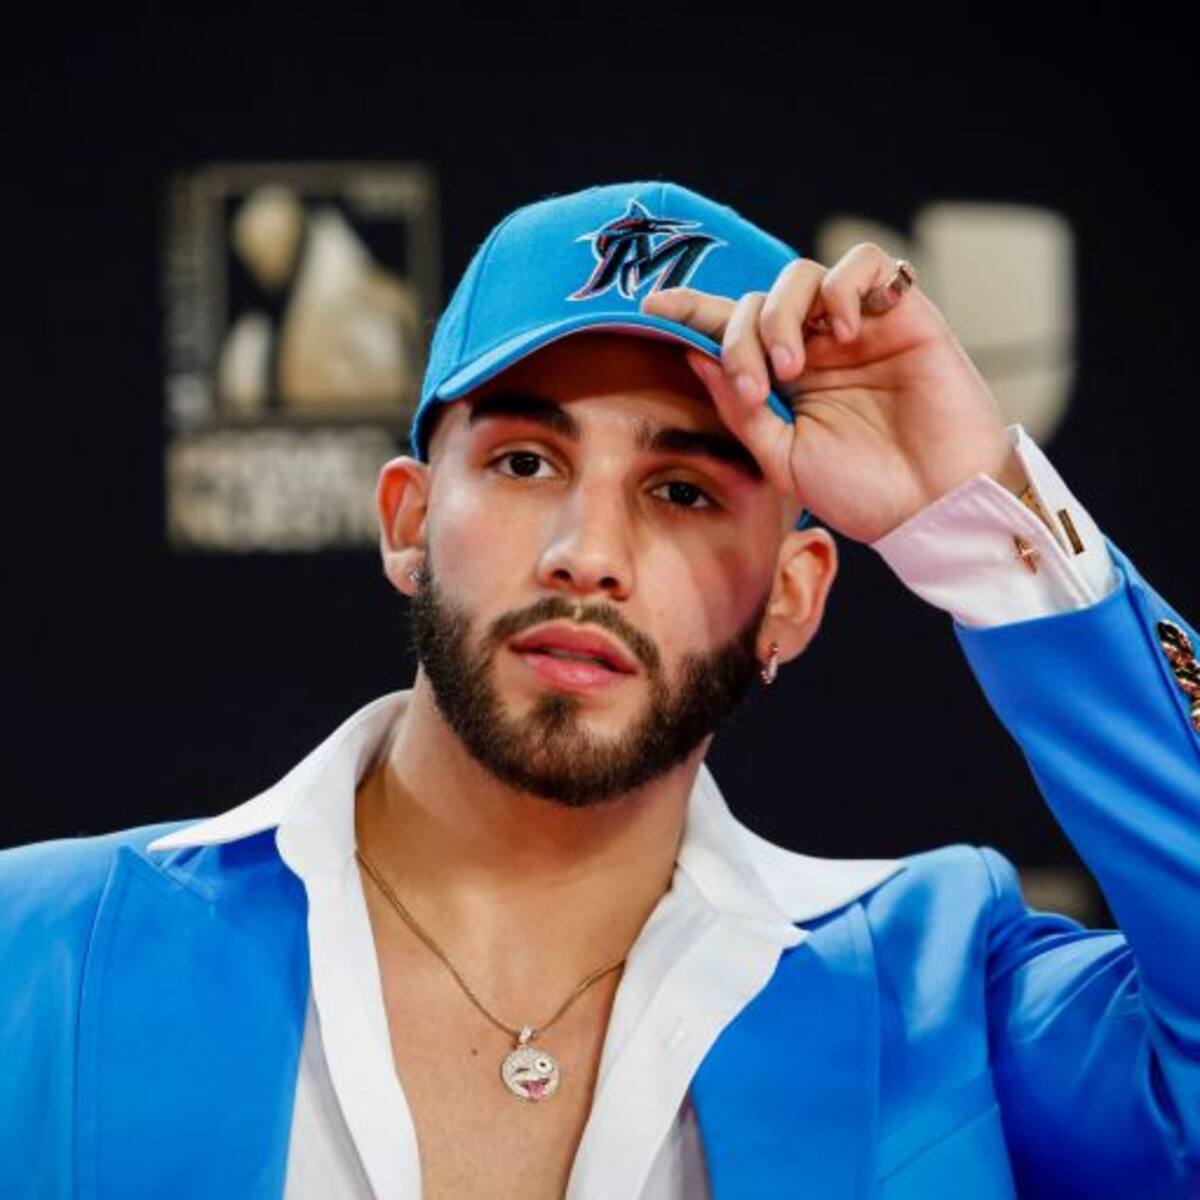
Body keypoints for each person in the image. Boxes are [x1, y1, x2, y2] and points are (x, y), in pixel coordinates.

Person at [2, 181, 1197, 1199]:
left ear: (791, 597)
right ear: (410, 521)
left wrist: (982, 512)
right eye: (527, 462)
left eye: (682, 492)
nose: (587, 553)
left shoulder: (941, 1000)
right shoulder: (38, 949)